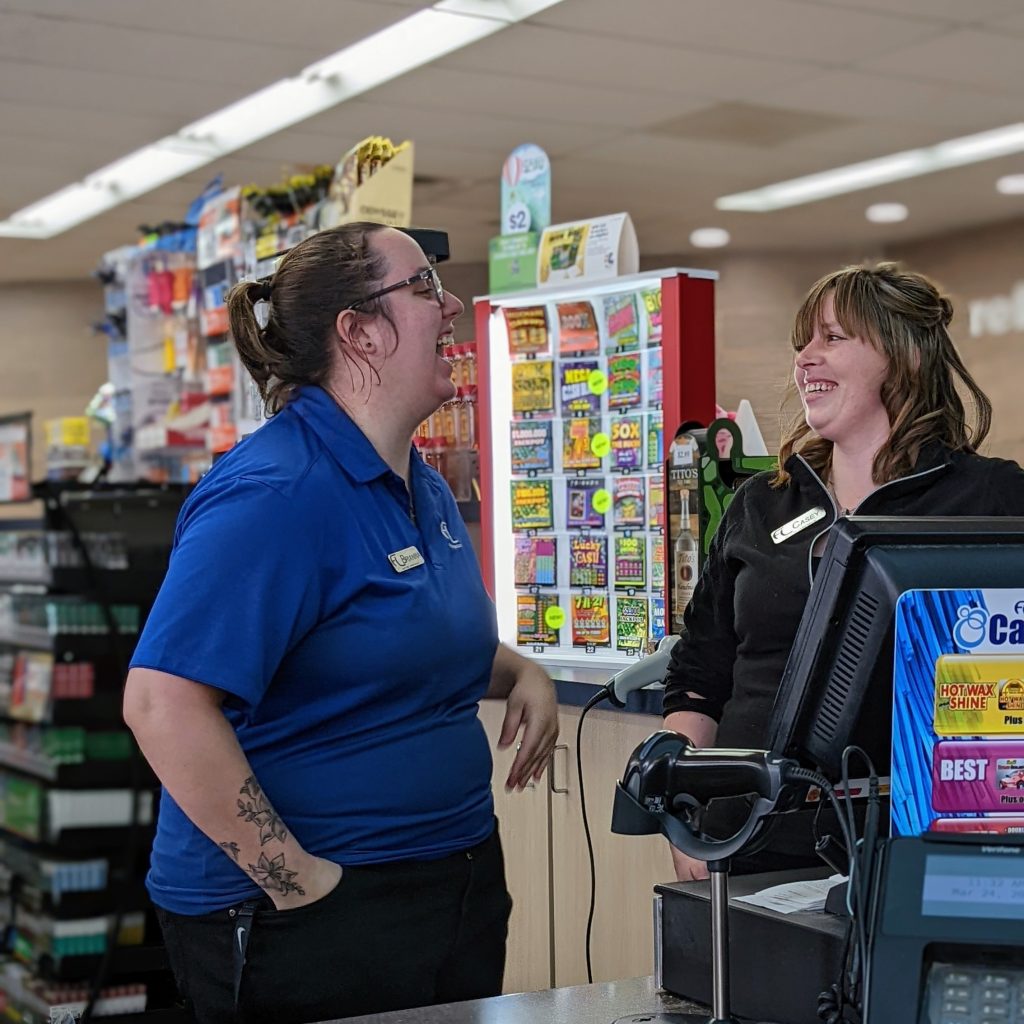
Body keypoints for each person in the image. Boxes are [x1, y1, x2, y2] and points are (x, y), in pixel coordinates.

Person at [122, 222, 559, 1024]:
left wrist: (523, 671)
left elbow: (401, 636)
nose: (452, 304)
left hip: (447, 882)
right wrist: (301, 883)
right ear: (359, 332)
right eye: (424, 287)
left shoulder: (414, 482)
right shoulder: (276, 494)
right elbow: (162, 705)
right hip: (313, 909)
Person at [662, 261, 1024, 881]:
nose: (805, 358)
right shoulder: (762, 504)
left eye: (832, 338)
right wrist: (684, 813)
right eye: (802, 341)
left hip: (922, 847)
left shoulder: (989, 498)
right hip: (747, 837)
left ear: (903, 355)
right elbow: (700, 673)